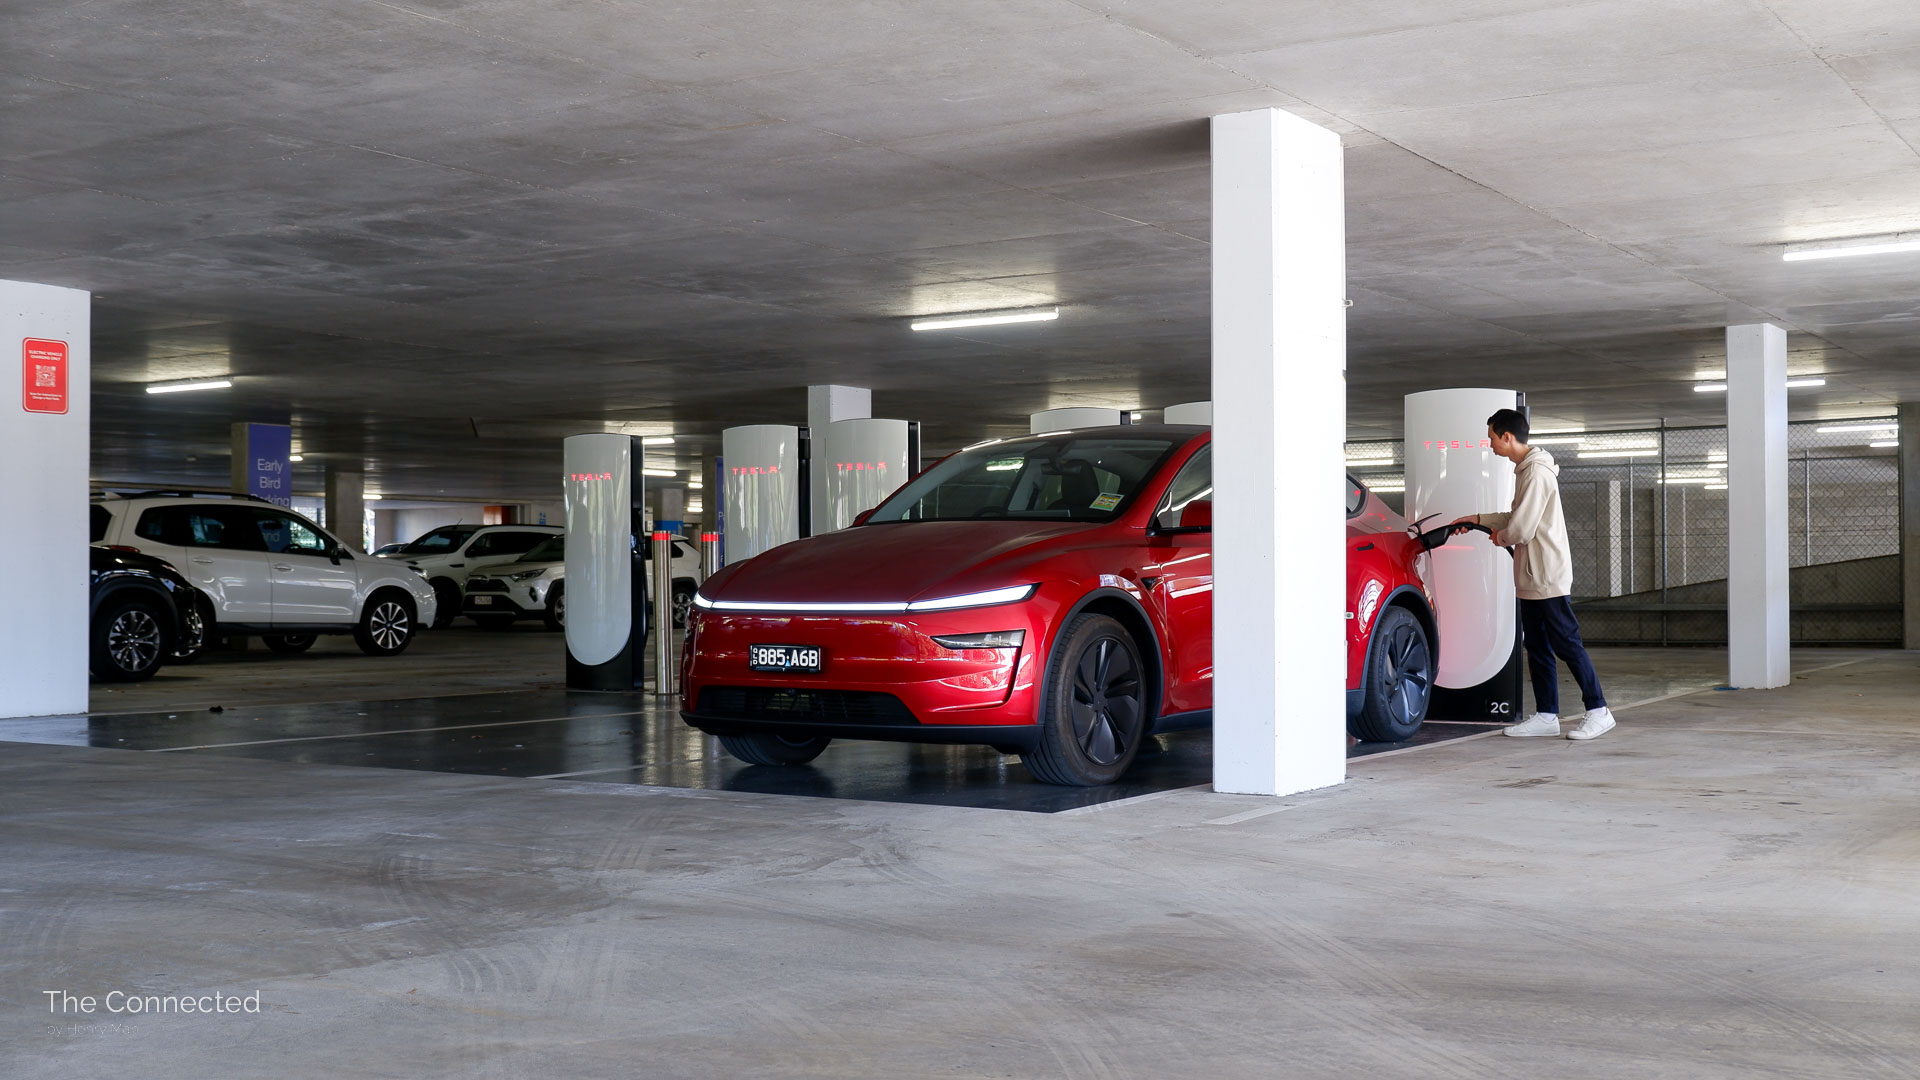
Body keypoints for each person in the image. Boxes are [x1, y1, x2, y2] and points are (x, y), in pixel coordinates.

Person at [1450, 408, 1614, 740]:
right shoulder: (1525, 471)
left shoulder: (1537, 473)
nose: (1491, 445)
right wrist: (1478, 518)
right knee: (1538, 646)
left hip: (1547, 575)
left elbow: (1521, 528)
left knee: (1566, 643)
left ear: (1507, 436)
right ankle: (1547, 715)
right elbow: (1517, 515)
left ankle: (1599, 710)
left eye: (1492, 438)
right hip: (1531, 576)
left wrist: (1501, 537)